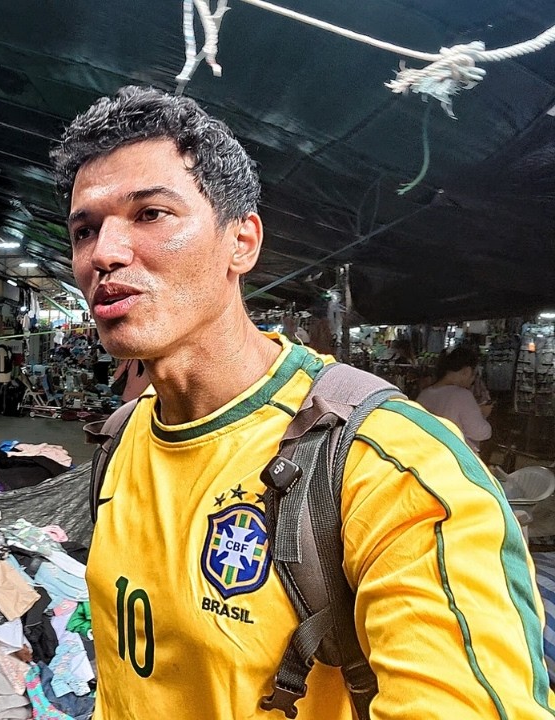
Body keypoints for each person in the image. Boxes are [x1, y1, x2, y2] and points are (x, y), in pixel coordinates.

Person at [53, 86, 551, 719]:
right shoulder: (123, 440)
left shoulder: (385, 466)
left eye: (151, 214)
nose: (104, 254)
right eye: (84, 229)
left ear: (243, 242)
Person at [418, 346, 494, 452]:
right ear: (466, 371)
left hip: (427, 454)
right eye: (474, 375)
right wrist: (482, 414)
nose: (473, 380)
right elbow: (480, 433)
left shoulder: (424, 394)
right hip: (452, 458)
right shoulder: (462, 395)